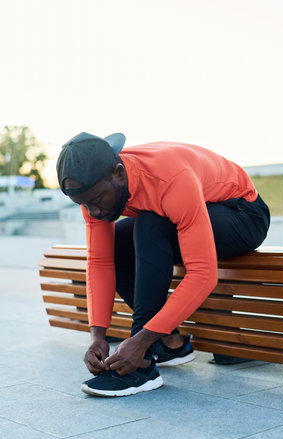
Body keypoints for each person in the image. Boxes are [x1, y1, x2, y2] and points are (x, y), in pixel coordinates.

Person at [56, 131, 270, 397]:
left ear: (119, 174)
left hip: (243, 215)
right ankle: (171, 344)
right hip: (193, 213)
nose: (94, 212)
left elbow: (203, 274)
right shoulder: (96, 189)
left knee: (151, 222)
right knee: (118, 242)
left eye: (97, 201)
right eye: (84, 204)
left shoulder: (170, 179)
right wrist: (97, 336)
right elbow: (100, 261)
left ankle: (142, 366)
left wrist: (140, 341)